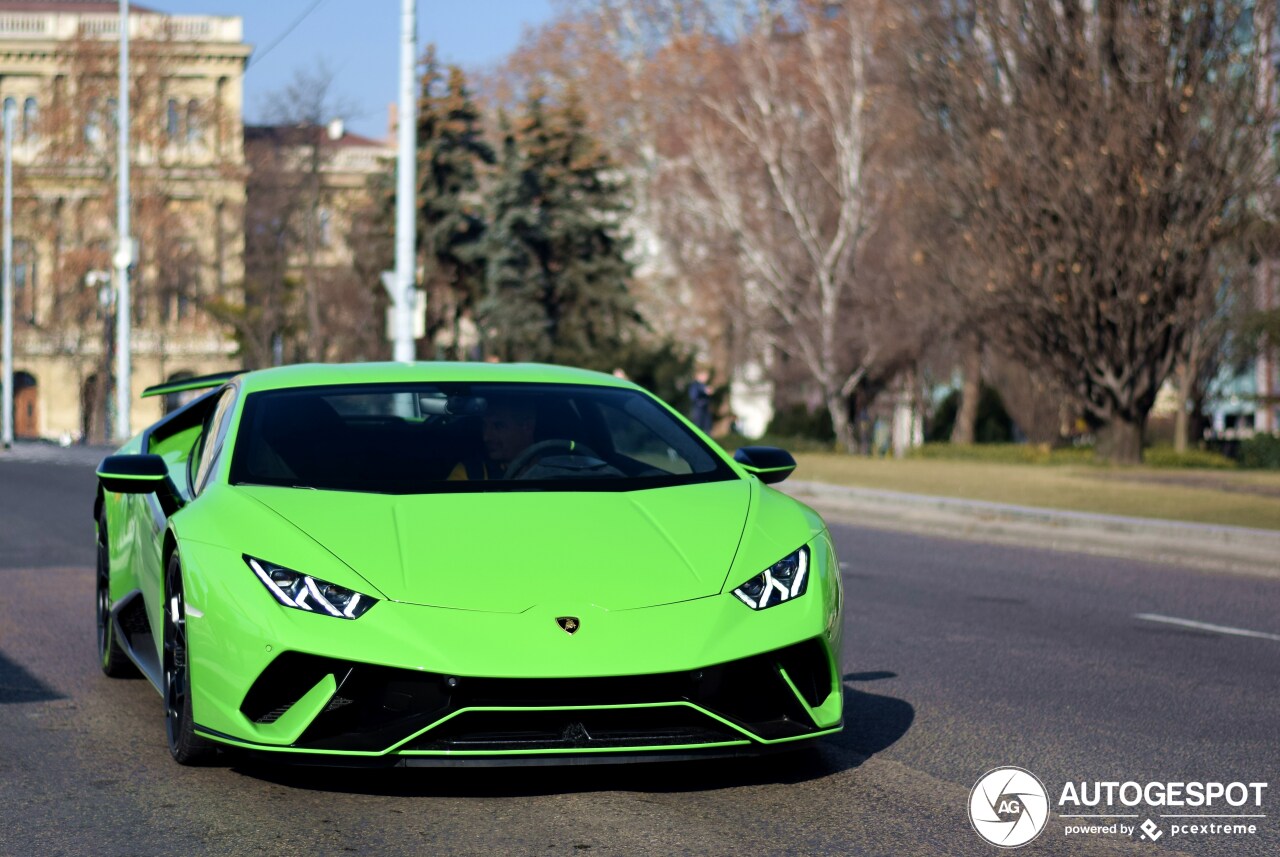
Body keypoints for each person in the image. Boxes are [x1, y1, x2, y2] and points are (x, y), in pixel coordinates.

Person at [449, 398, 537, 480]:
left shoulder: (549, 465)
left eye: (498, 426)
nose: (486, 437)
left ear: (528, 426)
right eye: (484, 426)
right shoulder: (470, 473)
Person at [688, 369, 714, 434]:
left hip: (704, 409)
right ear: (700, 376)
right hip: (698, 409)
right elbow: (693, 396)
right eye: (704, 376)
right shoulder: (695, 385)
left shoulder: (702, 385)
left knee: (706, 428)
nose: (706, 378)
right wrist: (705, 391)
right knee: (698, 428)